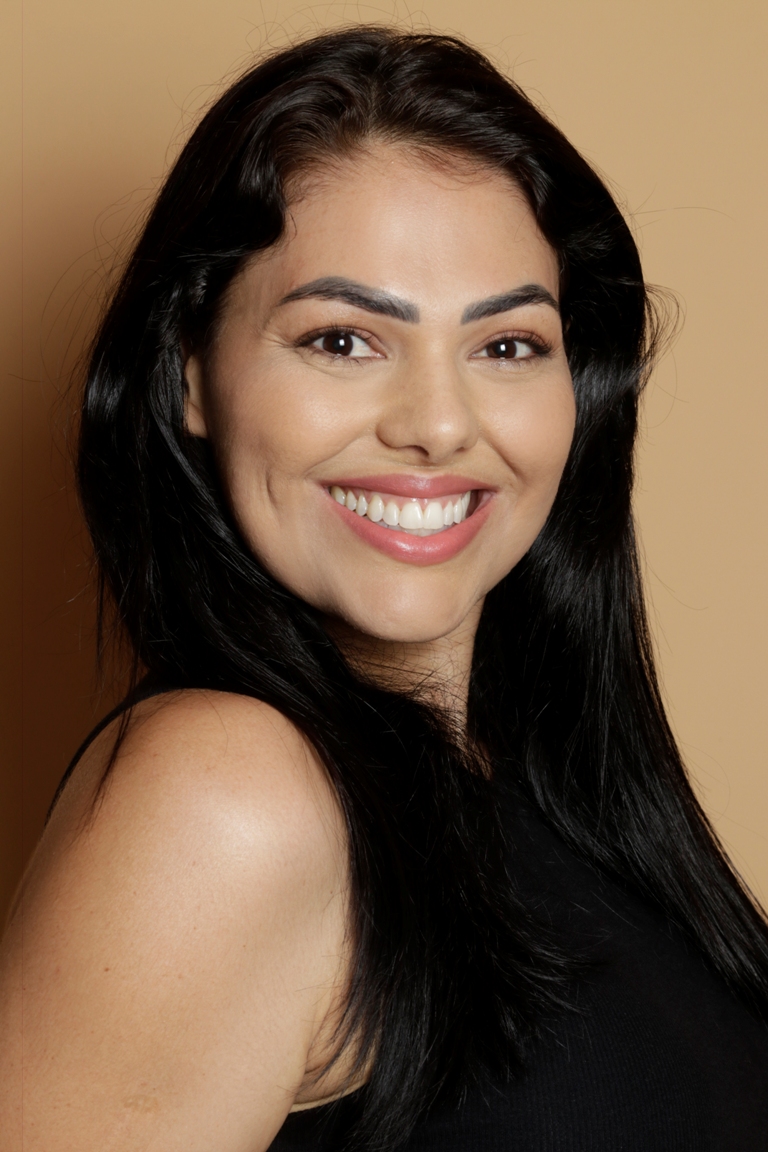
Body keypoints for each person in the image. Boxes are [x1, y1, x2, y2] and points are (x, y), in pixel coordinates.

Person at [1, 25, 767, 1152]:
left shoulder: (555, 795)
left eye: (507, 346)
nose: (439, 425)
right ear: (190, 373)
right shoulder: (225, 799)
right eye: (344, 340)